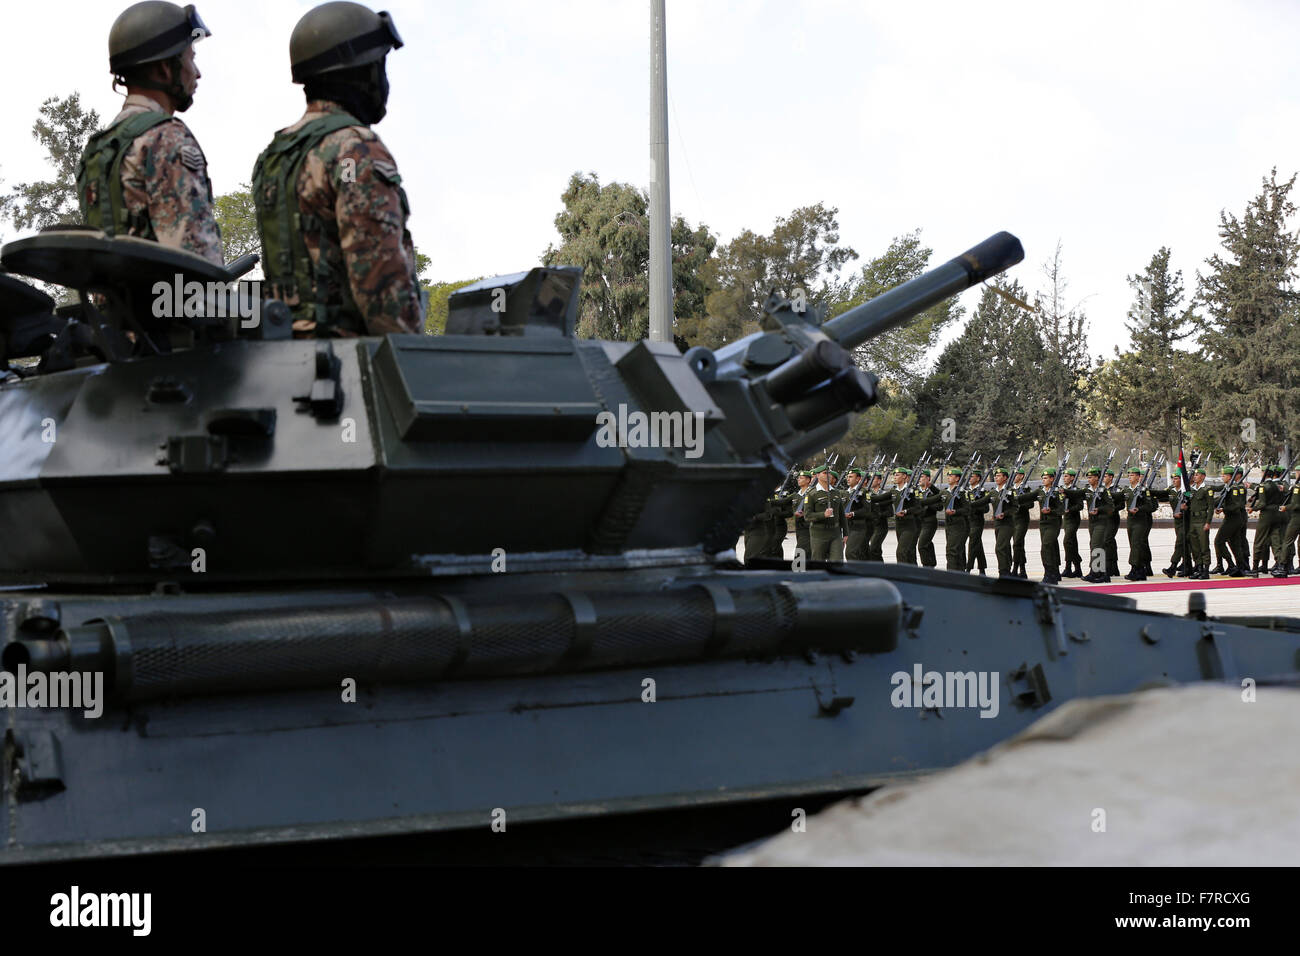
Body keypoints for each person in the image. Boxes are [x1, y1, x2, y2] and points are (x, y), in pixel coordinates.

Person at [253, 1, 424, 336]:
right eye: (379, 65)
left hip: (282, 352)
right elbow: (382, 290)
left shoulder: (276, 154)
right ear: (359, 71)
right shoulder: (353, 149)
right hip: (347, 359)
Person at [77, 2, 223, 264]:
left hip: (115, 305)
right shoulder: (166, 138)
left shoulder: (100, 148)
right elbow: (197, 262)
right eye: (191, 58)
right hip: (170, 303)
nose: (197, 73)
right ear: (165, 69)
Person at [1213, 467, 1251, 576]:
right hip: (1232, 518)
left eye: (1224, 475)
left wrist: (1223, 509)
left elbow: (1236, 506)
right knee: (1235, 544)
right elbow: (1222, 499)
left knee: (1219, 541)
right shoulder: (1228, 487)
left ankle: (1231, 565)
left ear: (1230, 476)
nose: (1222, 477)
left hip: (1233, 518)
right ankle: (1240, 567)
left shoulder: (1234, 488)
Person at [1122, 466, 1157, 581]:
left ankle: (1135, 569)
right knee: (1133, 545)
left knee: (1137, 545)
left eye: (1132, 475)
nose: (1130, 477)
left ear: (1138, 477)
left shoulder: (1143, 490)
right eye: (1129, 475)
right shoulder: (1127, 490)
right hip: (1130, 520)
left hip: (1141, 521)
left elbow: (1150, 506)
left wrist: (1139, 509)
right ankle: (1141, 570)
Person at [1154, 472, 1191, 577]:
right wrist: (1148, 491)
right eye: (1173, 479)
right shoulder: (1171, 490)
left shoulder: (1187, 492)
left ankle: (1173, 566)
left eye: (1176, 478)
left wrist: (1186, 510)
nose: (1173, 480)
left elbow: (1194, 506)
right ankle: (1188, 566)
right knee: (1183, 544)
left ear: (1181, 480)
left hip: (1186, 521)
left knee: (1179, 543)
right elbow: (1160, 494)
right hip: (1177, 521)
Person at [1248, 465, 1283, 573]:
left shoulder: (1263, 486)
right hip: (1276, 513)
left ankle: (1255, 567)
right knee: (1276, 541)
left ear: (1264, 473)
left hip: (1266, 515)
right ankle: (1280, 565)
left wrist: (1253, 509)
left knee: (1259, 540)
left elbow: (1262, 503)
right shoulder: (1277, 486)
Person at [805, 466, 843, 561]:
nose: (828, 475)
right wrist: (823, 515)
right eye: (825, 473)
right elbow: (807, 516)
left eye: (829, 473)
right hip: (819, 534)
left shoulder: (836, 492)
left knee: (837, 562)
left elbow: (842, 515)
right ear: (817, 475)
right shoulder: (812, 494)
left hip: (835, 534)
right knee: (818, 563)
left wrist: (846, 533)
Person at [1083, 467, 1114, 582]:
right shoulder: (1089, 490)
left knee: (1096, 546)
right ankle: (1101, 573)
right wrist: (1064, 492)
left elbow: (1111, 507)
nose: (1089, 479)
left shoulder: (1103, 490)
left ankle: (1098, 572)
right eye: (1088, 477)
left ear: (1097, 478)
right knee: (1096, 547)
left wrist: (1099, 509)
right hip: (1092, 523)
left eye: (1091, 477)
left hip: (1101, 522)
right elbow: (1076, 494)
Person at [1036, 467, 1065, 584]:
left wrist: (1051, 511)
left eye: (1046, 478)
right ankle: (1054, 573)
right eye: (1042, 478)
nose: (1043, 480)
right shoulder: (1041, 491)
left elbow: (1062, 510)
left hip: (1054, 523)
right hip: (1043, 524)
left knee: (1046, 546)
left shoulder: (1058, 493)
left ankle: (1048, 574)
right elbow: (1025, 498)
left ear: (1052, 479)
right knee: (1051, 547)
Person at [989, 467, 1016, 577]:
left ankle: (1003, 572)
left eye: (999, 475)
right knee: (1004, 547)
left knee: (999, 547)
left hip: (1007, 524)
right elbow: (983, 501)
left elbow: (1015, 507)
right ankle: (1007, 569)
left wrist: (1005, 514)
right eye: (995, 475)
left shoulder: (1010, 491)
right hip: (997, 524)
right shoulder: (994, 491)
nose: (996, 477)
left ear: (1005, 478)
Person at [1274, 464, 1300, 577]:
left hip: (1296, 518)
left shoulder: (1297, 487)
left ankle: (1282, 567)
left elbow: (1296, 504)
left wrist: (1286, 507)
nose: (1296, 474)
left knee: (1287, 541)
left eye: (1297, 472)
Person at [964, 467, 991, 576]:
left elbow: (986, 509)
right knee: (977, 544)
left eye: (972, 476)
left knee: (972, 544)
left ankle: (968, 569)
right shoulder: (966, 490)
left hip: (977, 521)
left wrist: (975, 505)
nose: (969, 478)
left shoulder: (983, 491)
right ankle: (982, 568)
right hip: (967, 521)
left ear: (978, 478)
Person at [1060, 467, 1086, 578]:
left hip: (1073, 518)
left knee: (1067, 542)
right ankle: (1075, 568)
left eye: (1066, 476)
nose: (1064, 478)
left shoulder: (1076, 490)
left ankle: (1070, 566)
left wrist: (1070, 510)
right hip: (1066, 519)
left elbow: (1080, 506)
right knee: (1072, 543)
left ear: (1072, 478)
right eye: (1064, 476)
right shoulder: (1062, 489)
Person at [1187, 467, 1213, 579]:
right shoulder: (1192, 489)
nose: (1194, 477)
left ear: (1203, 476)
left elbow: (1211, 507)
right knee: (1195, 546)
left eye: (1197, 475)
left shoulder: (1207, 489)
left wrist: (1208, 522)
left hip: (1202, 520)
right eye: (1194, 475)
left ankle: (1206, 570)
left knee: (1204, 546)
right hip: (1193, 520)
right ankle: (1199, 567)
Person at [942, 467, 969, 572]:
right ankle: (961, 573)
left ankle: (951, 575)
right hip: (948, 524)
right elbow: (935, 499)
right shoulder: (946, 492)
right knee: (956, 551)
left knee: (951, 550)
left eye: (951, 476)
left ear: (958, 478)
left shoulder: (962, 492)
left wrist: (956, 512)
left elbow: (967, 509)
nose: (948, 477)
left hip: (958, 525)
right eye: (948, 476)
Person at [842, 467, 872, 561]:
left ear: (858, 479)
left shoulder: (863, 492)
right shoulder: (845, 493)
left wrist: (853, 514)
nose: (848, 478)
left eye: (851, 476)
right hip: (847, 527)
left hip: (858, 527)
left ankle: (853, 573)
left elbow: (867, 510)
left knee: (850, 552)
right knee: (858, 553)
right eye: (847, 476)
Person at [915, 469, 943, 568]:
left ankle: (926, 566)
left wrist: (928, 503)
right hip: (918, 522)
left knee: (922, 545)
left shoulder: (933, 493)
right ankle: (932, 563)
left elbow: (940, 507)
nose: (919, 479)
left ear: (928, 479)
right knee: (927, 543)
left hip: (929, 521)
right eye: (919, 477)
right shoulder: (916, 492)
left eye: (922, 477)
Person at [792, 471, 813, 559]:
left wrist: (805, 514)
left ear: (808, 480)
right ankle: (807, 571)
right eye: (798, 478)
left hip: (807, 528)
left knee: (800, 553)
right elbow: (782, 503)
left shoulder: (812, 494)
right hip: (799, 529)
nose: (798, 480)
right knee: (806, 553)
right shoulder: (796, 495)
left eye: (801, 478)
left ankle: (798, 571)